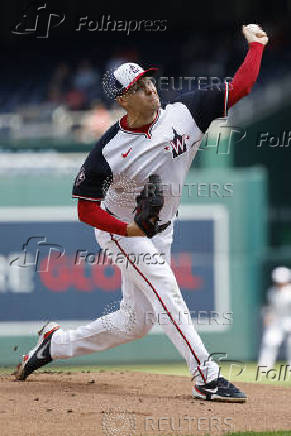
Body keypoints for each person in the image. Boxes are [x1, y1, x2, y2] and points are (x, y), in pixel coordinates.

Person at [15, 24, 269, 402]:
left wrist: (258, 46)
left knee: (135, 323)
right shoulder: (108, 151)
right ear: (123, 100)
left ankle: (54, 345)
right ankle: (207, 377)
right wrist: (129, 230)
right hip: (122, 231)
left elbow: (242, 86)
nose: (150, 88)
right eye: (137, 87)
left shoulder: (186, 111)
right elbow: (86, 210)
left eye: (148, 81)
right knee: (168, 293)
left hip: (160, 229)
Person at [258, 266, 291, 369]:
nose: (280, 283)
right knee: (270, 342)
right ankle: (264, 367)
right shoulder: (272, 291)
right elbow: (271, 307)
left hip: (289, 319)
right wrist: (268, 316)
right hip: (277, 321)